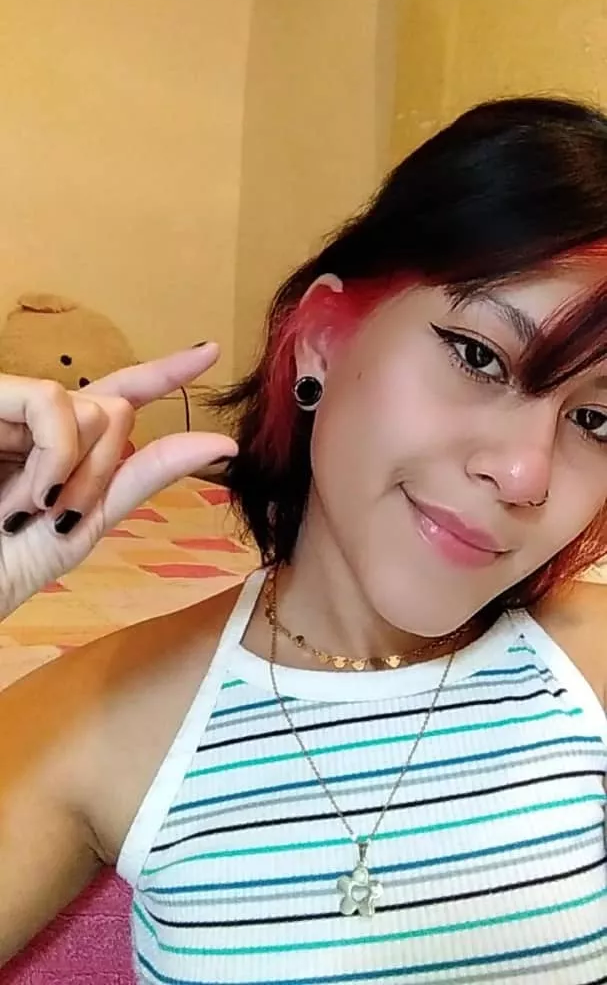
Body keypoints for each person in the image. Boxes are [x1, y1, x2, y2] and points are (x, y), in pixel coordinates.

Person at [1, 97, 607, 984]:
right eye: (478, 356)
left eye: (595, 419)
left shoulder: (588, 671)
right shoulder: (103, 719)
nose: (523, 474)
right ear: (323, 336)